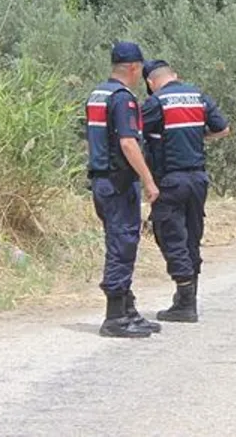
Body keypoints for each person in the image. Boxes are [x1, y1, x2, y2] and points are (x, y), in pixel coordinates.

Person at [140, 60, 230, 323]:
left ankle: (185, 302)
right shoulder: (198, 96)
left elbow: (134, 133)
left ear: (150, 82)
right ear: (175, 76)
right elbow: (223, 129)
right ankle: (187, 298)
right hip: (198, 179)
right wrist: (198, 138)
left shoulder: (157, 102)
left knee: (170, 236)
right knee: (192, 236)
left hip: (171, 180)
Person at [85, 41, 159, 339]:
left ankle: (127, 309)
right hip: (118, 182)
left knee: (120, 240)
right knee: (122, 243)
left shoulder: (97, 94)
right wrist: (149, 181)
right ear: (134, 67)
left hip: (102, 179)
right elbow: (128, 143)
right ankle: (115, 316)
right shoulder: (122, 99)